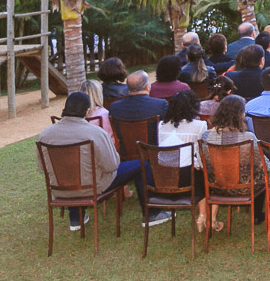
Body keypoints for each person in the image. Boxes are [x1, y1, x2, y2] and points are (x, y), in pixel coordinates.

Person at [38, 92, 171, 231]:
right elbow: (112, 165)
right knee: (142, 165)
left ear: (64, 109)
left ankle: (76, 219)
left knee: (71, 172)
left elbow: (43, 166)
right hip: (92, 187)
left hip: (60, 190)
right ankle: (152, 214)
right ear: (87, 111)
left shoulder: (45, 135)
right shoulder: (95, 133)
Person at [200, 95, 270, 227]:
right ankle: (256, 215)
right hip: (245, 188)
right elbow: (263, 164)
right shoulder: (248, 137)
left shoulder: (206, 136)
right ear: (240, 114)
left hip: (216, 186)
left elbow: (202, 163)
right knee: (264, 174)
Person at [157, 90, 210, 230]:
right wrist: (197, 164)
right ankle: (202, 216)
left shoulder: (161, 125)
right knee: (202, 172)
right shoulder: (200, 125)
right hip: (188, 180)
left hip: (163, 179)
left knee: (195, 167)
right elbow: (201, 153)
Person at [108, 71, 169, 150]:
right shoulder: (161, 105)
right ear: (147, 87)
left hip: (126, 155)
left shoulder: (114, 107)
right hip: (153, 154)